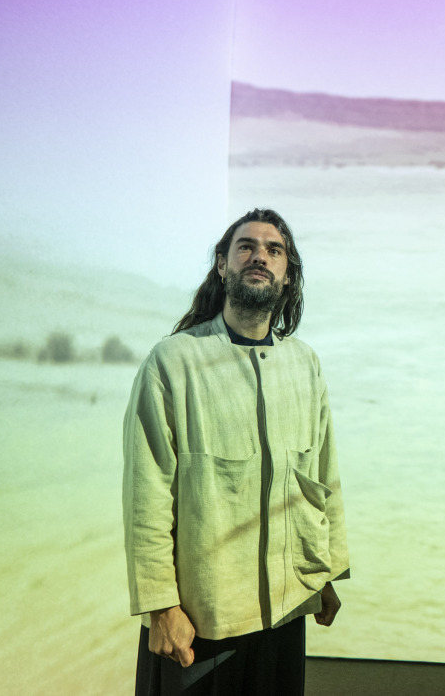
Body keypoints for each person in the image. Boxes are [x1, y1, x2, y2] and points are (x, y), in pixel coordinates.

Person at [124, 208, 348, 695]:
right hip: (203, 617)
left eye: (275, 250)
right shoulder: (173, 361)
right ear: (223, 266)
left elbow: (321, 477)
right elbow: (147, 491)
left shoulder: (304, 364)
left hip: (286, 609)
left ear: (287, 276)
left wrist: (324, 574)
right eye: (246, 246)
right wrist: (161, 605)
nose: (260, 256)